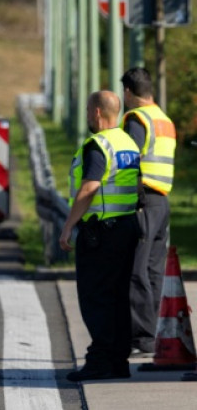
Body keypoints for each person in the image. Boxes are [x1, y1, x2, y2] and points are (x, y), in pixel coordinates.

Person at [59, 90, 142, 382]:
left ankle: (100, 361)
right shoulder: (127, 142)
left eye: (86, 110)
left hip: (102, 232)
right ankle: (118, 361)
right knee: (118, 297)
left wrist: (69, 224)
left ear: (96, 113)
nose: (85, 115)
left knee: (96, 298)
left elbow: (89, 187)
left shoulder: (98, 144)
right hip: (126, 227)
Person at [120, 67, 176, 356]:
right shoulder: (163, 119)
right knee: (154, 270)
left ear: (128, 92)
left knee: (135, 268)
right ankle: (151, 334)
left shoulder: (137, 119)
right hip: (162, 201)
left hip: (142, 199)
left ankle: (141, 337)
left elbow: (130, 161)